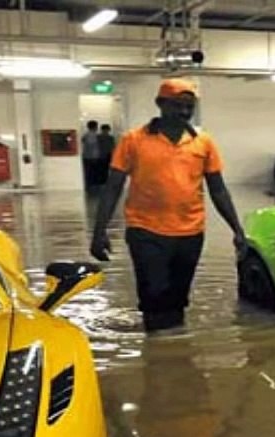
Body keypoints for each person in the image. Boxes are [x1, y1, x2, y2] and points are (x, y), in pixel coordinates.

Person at [89, 78, 247, 337]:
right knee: (153, 295)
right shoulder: (133, 141)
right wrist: (99, 232)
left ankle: (175, 356)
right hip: (146, 231)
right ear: (160, 104)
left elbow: (217, 189)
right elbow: (113, 187)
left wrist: (237, 230)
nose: (184, 112)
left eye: (189, 106)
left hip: (190, 232)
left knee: (178, 296)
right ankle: (156, 355)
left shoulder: (203, 143)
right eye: (178, 106)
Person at [81, 120, 102, 188]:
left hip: (86, 156)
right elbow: (93, 147)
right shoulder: (93, 135)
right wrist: (96, 156)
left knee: (88, 172)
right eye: (96, 126)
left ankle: (90, 185)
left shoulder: (85, 135)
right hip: (92, 157)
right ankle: (93, 186)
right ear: (95, 127)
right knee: (93, 172)